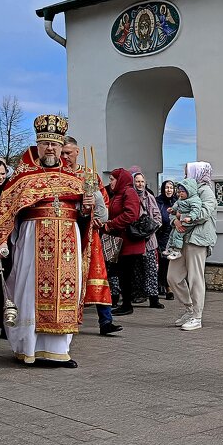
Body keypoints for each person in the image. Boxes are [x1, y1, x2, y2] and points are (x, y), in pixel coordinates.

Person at [0, 115, 108, 367]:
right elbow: (6, 214)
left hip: (68, 243)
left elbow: (88, 217)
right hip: (31, 240)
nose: (50, 148)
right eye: (45, 143)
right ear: (37, 145)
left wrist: (87, 208)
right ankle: (28, 348)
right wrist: (3, 240)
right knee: (28, 290)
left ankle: (58, 351)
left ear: (62, 146)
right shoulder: (21, 178)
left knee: (66, 293)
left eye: (55, 144)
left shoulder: (77, 178)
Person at [61, 138, 120, 335]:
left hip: (89, 233)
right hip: (65, 232)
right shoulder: (58, 175)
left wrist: (98, 219)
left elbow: (103, 201)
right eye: (63, 153)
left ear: (77, 152)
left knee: (97, 273)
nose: (65, 156)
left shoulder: (89, 175)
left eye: (68, 152)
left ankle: (106, 321)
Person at [167, 162, 217, 331]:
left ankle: (197, 316)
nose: (185, 173)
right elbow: (175, 210)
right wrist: (175, 220)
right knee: (172, 277)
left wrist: (183, 217)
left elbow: (205, 213)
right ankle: (189, 309)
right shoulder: (187, 189)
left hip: (197, 240)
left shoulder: (205, 191)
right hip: (181, 239)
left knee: (195, 278)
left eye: (187, 171)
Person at [103, 168, 142, 317]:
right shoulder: (118, 194)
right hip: (119, 239)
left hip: (127, 240)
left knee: (126, 273)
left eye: (112, 179)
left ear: (120, 180)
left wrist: (112, 224)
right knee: (120, 273)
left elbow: (131, 214)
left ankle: (127, 304)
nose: (110, 182)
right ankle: (124, 302)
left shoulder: (128, 192)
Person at [130, 167, 165, 309]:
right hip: (134, 238)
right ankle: (139, 294)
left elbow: (157, 216)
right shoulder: (130, 196)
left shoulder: (149, 197)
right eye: (137, 181)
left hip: (149, 240)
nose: (140, 184)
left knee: (151, 269)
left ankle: (154, 298)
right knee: (137, 269)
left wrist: (150, 229)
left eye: (142, 181)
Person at [163, 179, 203, 260]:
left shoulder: (195, 200)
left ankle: (177, 251)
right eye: (179, 191)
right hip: (181, 220)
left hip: (187, 222)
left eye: (182, 192)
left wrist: (190, 217)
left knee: (178, 235)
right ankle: (170, 249)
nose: (180, 193)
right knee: (172, 234)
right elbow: (176, 205)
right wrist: (172, 210)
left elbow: (196, 210)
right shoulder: (180, 199)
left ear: (189, 191)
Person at [155, 180, 175, 299]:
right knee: (163, 263)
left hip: (173, 236)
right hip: (161, 236)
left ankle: (168, 285)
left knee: (171, 263)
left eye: (171, 188)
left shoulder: (176, 202)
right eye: (167, 188)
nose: (169, 190)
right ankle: (167, 288)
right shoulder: (158, 202)